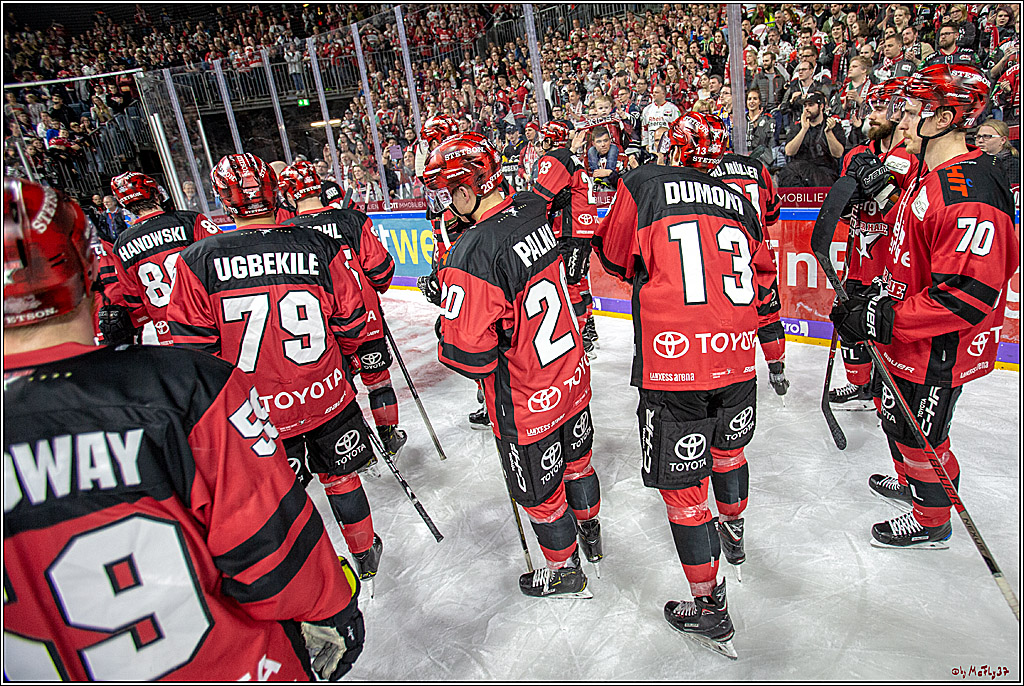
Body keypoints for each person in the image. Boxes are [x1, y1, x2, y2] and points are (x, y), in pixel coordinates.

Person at [3, 177, 364, 681]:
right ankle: (366, 552)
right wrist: (332, 607)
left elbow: (173, 324)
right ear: (86, 269)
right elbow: (271, 550)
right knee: (340, 476)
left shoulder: (189, 274)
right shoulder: (181, 389)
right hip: (237, 665)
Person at [593, 113, 780, 659]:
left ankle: (709, 607)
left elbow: (612, 256)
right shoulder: (740, 200)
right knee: (729, 453)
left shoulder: (644, 184)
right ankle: (736, 534)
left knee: (685, 494)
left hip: (674, 366)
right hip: (736, 359)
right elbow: (764, 281)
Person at [165, 153, 386, 590]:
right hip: (326, 393)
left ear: (224, 202)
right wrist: (339, 359)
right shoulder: (319, 244)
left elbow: (192, 352)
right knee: (341, 478)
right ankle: (364, 552)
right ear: (273, 192)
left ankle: (312, 572)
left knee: (280, 493)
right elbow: (354, 322)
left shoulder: (198, 260)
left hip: (254, 411)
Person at [830, 65, 1018, 548]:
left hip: (939, 349)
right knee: (897, 421)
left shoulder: (969, 193)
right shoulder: (928, 174)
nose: (903, 121)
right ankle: (917, 486)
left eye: (914, 112)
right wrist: (873, 298)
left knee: (925, 438)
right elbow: (912, 253)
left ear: (947, 118)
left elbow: (967, 295)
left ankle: (932, 518)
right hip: (907, 340)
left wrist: (885, 316)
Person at [424, 132, 603, 598]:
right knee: (578, 465)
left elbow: (469, 353)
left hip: (526, 400)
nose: (448, 202)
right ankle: (592, 536)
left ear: (466, 190)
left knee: (541, 496)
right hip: (573, 376)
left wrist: (449, 308)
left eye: (449, 192)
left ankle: (566, 572)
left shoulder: (473, 249)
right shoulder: (529, 208)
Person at [280, 159, 407, 457]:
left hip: (321, 330)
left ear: (289, 196)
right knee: (378, 380)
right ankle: (389, 435)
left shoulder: (284, 232)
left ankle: (353, 450)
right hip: (366, 319)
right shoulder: (352, 219)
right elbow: (381, 272)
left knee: (340, 391)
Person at [829, 78, 920, 412]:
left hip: (891, 264)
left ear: (897, 114)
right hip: (858, 259)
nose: (872, 116)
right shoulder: (855, 154)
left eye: (880, 109)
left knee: (884, 329)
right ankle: (859, 386)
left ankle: (886, 394)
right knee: (849, 322)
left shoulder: (911, 157)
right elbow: (841, 214)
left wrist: (882, 188)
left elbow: (910, 217)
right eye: (870, 109)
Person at [708, 147, 788, 395]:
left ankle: (726, 376)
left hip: (722, 257)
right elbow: (773, 214)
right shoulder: (757, 167)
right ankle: (778, 373)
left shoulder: (707, 170)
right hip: (758, 254)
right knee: (768, 317)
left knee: (721, 319)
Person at [108, 172, 220, 346]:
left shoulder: (121, 245)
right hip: (208, 321)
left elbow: (134, 301)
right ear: (156, 193)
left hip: (163, 332)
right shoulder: (190, 220)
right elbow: (222, 261)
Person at [534, 121, 601, 357]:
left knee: (568, 284)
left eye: (543, 139)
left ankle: (579, 339)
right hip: (582, 230)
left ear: (550, 140)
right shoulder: (573, 158)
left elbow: (541, 198)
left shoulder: (556, 158)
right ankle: (588, 329)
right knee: (579, 281)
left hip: (570, 231)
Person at [778, 91, 847, 187]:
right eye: (805, 105)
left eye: (811, 105)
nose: (806, 109)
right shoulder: (798, 127)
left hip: (824, 174)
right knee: (787, 173)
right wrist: (804, 129)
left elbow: (838, 153)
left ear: (821, 106)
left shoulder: (832, 125)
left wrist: (828, 133)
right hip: (800, 173)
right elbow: (789, 152)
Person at [975, 118, 1020, 186]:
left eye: (987, 136)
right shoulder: (973, 162)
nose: (980, 140)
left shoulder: (1015, 165)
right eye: (978, 137)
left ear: (1002, 140)